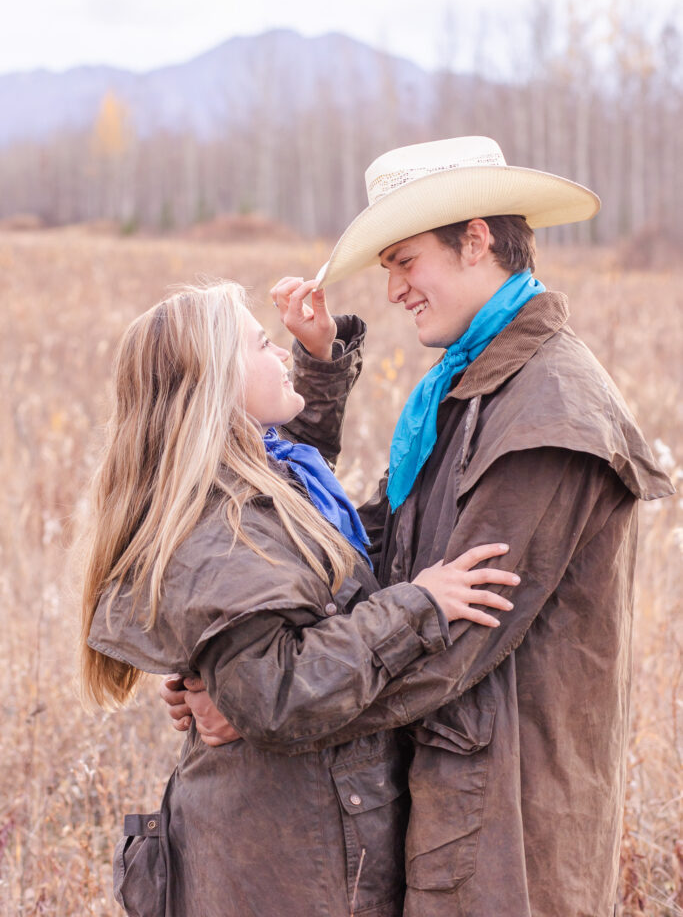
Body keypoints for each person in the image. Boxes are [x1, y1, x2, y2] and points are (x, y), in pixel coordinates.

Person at [170, 137, 675, 917]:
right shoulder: (470, 386)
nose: (396, 288)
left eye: (406, 261)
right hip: (449, 804)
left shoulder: (546, 416)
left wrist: (257, 701)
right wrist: (233, 660)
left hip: (504, 831)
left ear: (475, 240)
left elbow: (454, 643)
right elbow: (352, 550)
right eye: (388, 268)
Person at [79, 279, 522, 917]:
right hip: (283, 862)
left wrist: (318, 360)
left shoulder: (255, 470)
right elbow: (276, 692)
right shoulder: (226, 529)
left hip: (287, 834)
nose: (279, 350)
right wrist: (419, 605)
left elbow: (297, 504)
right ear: (218, 389)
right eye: (264, 344)